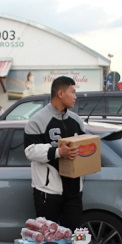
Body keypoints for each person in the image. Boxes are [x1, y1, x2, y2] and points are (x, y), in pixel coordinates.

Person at [24, 76, 85, 229]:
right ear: (60, 93)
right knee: (48, 240)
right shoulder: (37, 120)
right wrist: (58, 152)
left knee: (72, 237)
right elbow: (30, 151)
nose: (75, 96)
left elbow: (85, 147)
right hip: (48, 191)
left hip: (74, 190)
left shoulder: (77, 120)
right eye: (73, 92)